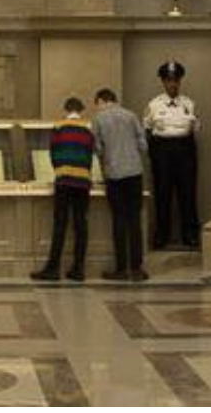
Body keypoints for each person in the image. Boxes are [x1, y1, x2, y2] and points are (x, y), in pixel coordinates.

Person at [31, 97, 95, 282]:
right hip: (82, 181)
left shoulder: (58, 127)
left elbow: (53, 153)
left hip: (64, 180)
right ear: (81, 110)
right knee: (81, 224)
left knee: (60, 224)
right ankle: (78, 269)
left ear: (66, 109)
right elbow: (90, 153)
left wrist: (60, 170)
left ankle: (53, 269)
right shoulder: (88, 129)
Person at [91, 88, 149, 282]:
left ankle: (121, 269)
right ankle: (137, 269)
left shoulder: (99, 119)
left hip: (114, 175)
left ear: (101, 101)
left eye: (97, 104)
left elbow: (98, 148)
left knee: (119, 220)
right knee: (135, 221)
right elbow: (143, 145)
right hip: (135, 173)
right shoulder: (131, 115)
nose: (97, 108)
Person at [143, 60, 201, 250]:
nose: (172, 84)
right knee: (162, 194)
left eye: (175, 80)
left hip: (185, 150)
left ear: (180, 81)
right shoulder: (153, 104)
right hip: (162, 151)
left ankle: (190, 235)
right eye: (168, 80)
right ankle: (161, 235)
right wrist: (155, 154)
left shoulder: (189, 103)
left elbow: (195, 129)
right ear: (163, 81)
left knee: (188, 193)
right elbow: (147, 129)